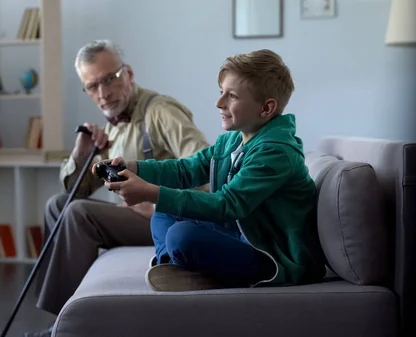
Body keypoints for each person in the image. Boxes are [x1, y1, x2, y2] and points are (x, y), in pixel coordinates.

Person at [96, 49, 326, 292]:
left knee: (181, 236)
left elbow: (227, 205)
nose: (219, 103)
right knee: (164, 214)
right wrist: (133, 167)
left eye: (232, 96)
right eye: (221, 92)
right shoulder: (232, 141)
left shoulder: (276, 152)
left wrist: (150, 193)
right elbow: (186, 170)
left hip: (272, 256)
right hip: (242, 233)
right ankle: (173, 270)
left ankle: (186, 267)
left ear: (266, 108)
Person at [25, 40, 210, 337]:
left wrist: (158, 199)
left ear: (129, 74)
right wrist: (83, 152)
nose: (103, 93)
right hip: (131, 215)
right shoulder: (110, 129)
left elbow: (204, 166)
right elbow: (77, 189)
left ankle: (62, 324)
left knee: (78, 213)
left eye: (110, 79)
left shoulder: (160, 111)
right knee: (58, 204)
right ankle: (58, 315)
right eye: (93, 86)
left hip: (163, 217)